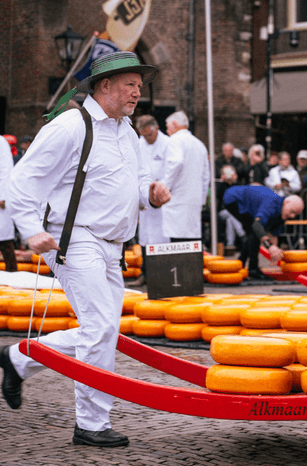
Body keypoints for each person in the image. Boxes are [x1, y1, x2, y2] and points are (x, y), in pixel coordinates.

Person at [1, 51, 171, 447]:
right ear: (105, 85)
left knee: (102, 331)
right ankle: (91, 423)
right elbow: (21, 182)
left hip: (111, 245)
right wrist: (30, 231)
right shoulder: (71, 126)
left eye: (140, 86)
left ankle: (17, 359)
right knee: (99, 329)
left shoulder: (126, 130)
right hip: (73, 238)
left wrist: (152, 193)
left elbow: (139, 181)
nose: (137, 92)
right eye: (130, 84)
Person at [128, 115, 179, 286]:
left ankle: (162, 275)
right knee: (145, 236)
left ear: (156, 129)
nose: (147, 138)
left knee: (161, 237)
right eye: (143, 135)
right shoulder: (140, 144)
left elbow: (173, 168)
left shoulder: (168, 144)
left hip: (163, 198)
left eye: (149, 135)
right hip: (145, 197)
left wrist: (162, 187)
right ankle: (145, 273)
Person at [222, 186, 304, 272]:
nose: (292, 216)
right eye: (292, 211)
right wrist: (270, 246)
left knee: (254, 233)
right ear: (286, 202)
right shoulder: (271, 203)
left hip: (247, 203)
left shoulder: (282, 213)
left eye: (295, 215)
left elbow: (273, 234)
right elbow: (256, 225)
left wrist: (274, 254)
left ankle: (241, 264)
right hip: (233, 197)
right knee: (254, 231)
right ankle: (252, 268)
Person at [163, 111, 210, 243]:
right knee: (192, 243)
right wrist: (202, 198)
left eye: (167, 126)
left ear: (174, 124)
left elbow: (175, 163)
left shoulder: (174, 141)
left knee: (176, 242)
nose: (167, 130)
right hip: (194, 200)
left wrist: (165, 187)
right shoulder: (200, 144)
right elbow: (206, 176)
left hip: (177, 199)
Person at [0, 135, 17, 271]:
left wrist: (3, 195)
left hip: (1, 197)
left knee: (4, 241)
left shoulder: (1, 141)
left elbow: (6, 169)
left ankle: (12, 273)